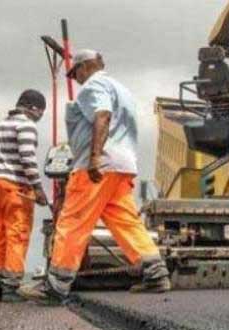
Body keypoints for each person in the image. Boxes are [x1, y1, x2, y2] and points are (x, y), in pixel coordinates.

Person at [19, 49, 170, 304]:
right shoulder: (122, 90)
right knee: (125, 221)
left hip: (98, 167)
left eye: (75, 72)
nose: (75, 78)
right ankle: (155, 273)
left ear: (85, 66)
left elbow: (103, 114)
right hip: (123, 166)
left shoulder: (93, 86)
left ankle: (56, 286)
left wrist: (95, 156)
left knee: (73, 221)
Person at [0, 89, 49, 301]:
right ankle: (11, 287)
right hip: (16, 185)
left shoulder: (0, 125)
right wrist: (38, 188)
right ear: (32, 108)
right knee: (17, 233)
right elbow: (27, 158)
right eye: (41, 111)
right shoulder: (27, 126)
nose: (40, 116)